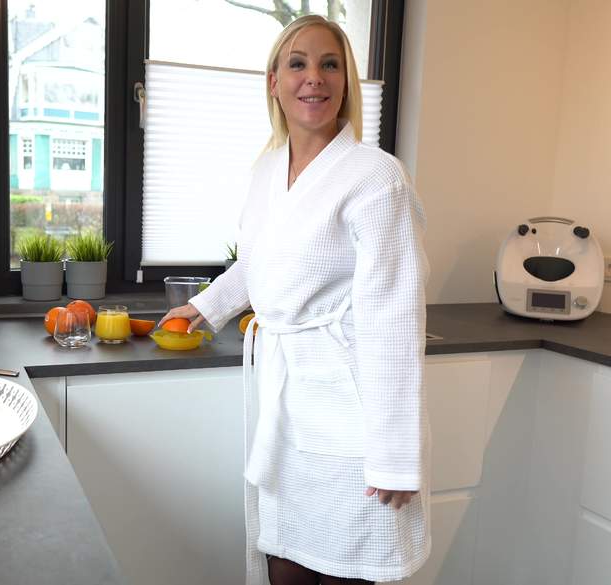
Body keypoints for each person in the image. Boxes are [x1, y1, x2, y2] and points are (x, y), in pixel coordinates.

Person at [158, 14, 430, 585]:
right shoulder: (267, 170)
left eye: (330, 64)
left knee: (347, 564)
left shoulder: (377, 178)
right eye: (298, 64)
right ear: (274, 82)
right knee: (283, 559)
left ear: (346, 82)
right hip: (285, 404)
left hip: (350, 407)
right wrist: (206, 307)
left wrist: (395, 453)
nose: (315, 78)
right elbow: (261, 261)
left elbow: (394, 318)